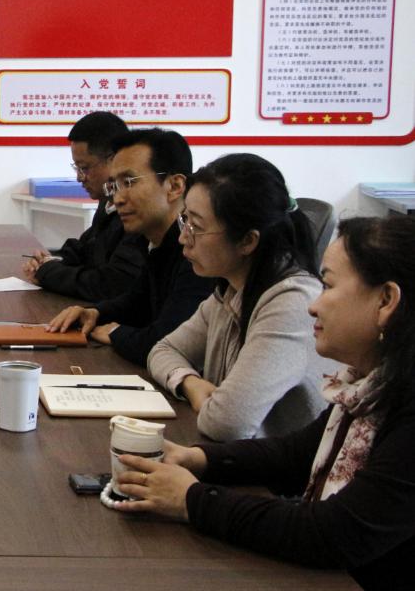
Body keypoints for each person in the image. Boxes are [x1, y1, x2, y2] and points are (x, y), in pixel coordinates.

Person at [111, 217, 415, 588]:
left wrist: (191, 499)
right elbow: (295, 455)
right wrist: (197, 458)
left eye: (329, 285)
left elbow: (332, 533)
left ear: (386, 301)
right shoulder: (370, 384)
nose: (314, 306)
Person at [147, 154, 333, 440]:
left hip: (275, 468)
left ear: (247, 240)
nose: (183, 237)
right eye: (185, 220)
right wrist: (190, 383)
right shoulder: (231, 288)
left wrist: (206, 400)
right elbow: (163, 350)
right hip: (236, 457)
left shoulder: (292, 302)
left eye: (196, 226)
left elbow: (227, 422)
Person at [46, 128, 212, 366]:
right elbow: (138, 302)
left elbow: (169, 342)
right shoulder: (152, 239)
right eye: (114, 186)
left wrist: (116, 333)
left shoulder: (197, 250)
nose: (118, 199)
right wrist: (94, 313)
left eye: (129, 182)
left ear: (175, 186)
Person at [22, 111, 145, 302]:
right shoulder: (107, 200)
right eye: (77, 168)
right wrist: (49, 260)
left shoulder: (137, 211)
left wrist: (48, 272)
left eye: (84, 168)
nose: (79, 178)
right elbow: (86, 249)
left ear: (114, 159)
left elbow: (110, 284)